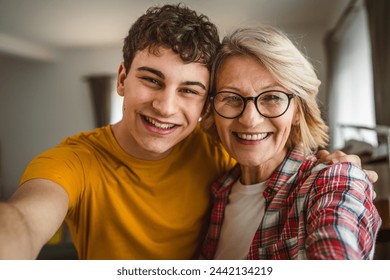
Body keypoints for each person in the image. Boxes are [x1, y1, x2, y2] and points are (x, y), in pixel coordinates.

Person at [0, 4, 376, 260]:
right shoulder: (74, 161)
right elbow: (24, 219)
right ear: (121, 79)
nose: (165, 107)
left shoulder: (224, 151)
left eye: (189, 90)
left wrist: (343, 172)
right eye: (151, 80)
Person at [200, 26, 381, 260]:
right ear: (212, 110)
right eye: (232, 98)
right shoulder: (217, 191)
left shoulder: (333, 180)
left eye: (272, 97)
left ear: (298, 111)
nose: (249, 119)